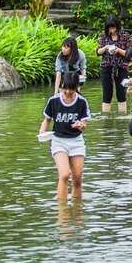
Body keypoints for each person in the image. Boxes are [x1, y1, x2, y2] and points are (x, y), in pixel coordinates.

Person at [38, 73, 88, 201]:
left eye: (71, 89)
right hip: (58, 141)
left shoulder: (82, 102)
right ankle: (62, 210)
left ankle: (77, 209)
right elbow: (47, 120)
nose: (67, 92)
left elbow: (84, 124)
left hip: (76, 141)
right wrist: (42, 133)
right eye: (64, 88)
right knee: (65, 174)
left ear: (76, 87)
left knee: (77, 177)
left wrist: (80, 125)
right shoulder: (53, 101)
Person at [95, 16, 132, 114]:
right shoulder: (103, 35)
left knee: (121, 92)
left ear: (117, 26)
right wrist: (106, 47)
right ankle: (106, 118)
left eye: (113, 27)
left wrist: (118, 50)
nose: (111, 30)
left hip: (122, 68)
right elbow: (98, 51)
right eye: (109, 27)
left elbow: (129, 54)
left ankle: (122, 116)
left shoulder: (125, 36)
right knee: (107, 93)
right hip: (106, 67)